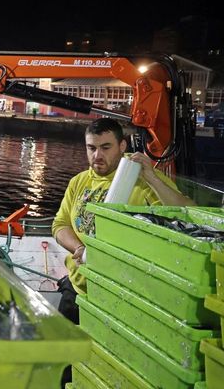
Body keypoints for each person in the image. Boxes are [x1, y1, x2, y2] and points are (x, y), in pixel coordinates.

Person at [53, 118, 195, 323]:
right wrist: (80, 249)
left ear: (122, 146)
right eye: (91, 148)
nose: (97, 155)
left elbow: (188, 213)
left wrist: (153, 178)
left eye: (105, 147)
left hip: (121, 292)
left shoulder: (141, 179)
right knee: (65, 350)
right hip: (78, 287)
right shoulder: (79, 181)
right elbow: (60, 224)